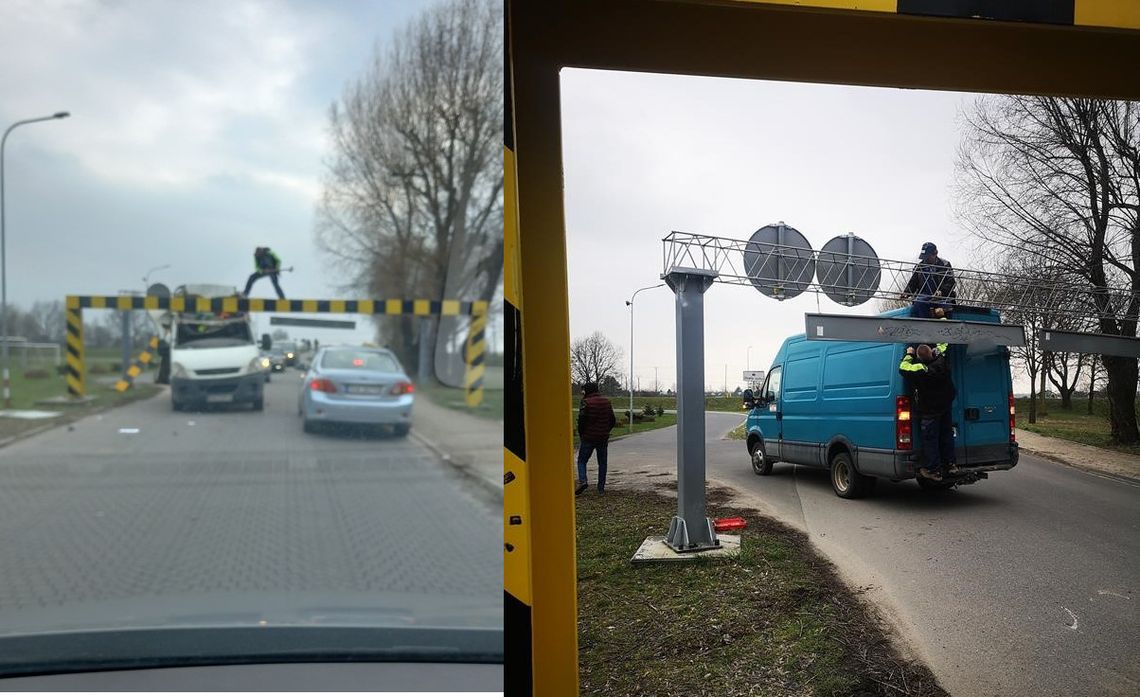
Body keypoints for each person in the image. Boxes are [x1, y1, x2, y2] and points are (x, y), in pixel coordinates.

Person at [899, 341, 958, 481]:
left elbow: (903, 368)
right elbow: (943, 344)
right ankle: (950, 464)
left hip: (930, 410)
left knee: (930, 439)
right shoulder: (941, 360)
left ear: (920, 359)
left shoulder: (921, 369)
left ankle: (933, 469)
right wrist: (941, 319)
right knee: (946, 435)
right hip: (945, 406)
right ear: (932, 352)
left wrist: (909, 355)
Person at [575, 381, 617, 495]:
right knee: (602, 462)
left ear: (588, 390)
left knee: (582, 461)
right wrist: (606, 430)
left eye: (583, 390)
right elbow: (612, 420)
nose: (582, 392)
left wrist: (581, 434)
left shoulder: (585, 402)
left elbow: (582, 422)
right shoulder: (606, 402)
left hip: (588, 437)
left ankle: (583, 481)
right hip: (603, 437)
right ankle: (601, 488)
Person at [903, 242, 955, 318]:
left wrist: (942, 291)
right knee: (919, 303)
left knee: (946, 307)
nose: (926, 259)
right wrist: (907, 292)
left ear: (935, 254)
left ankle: (946, 327)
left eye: (928, 257)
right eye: (924, 257)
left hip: (942, 296)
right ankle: (924, 324)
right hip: (925, 295)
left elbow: (951, 282)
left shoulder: (945, 264)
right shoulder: (920, 266)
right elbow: (913, 282)